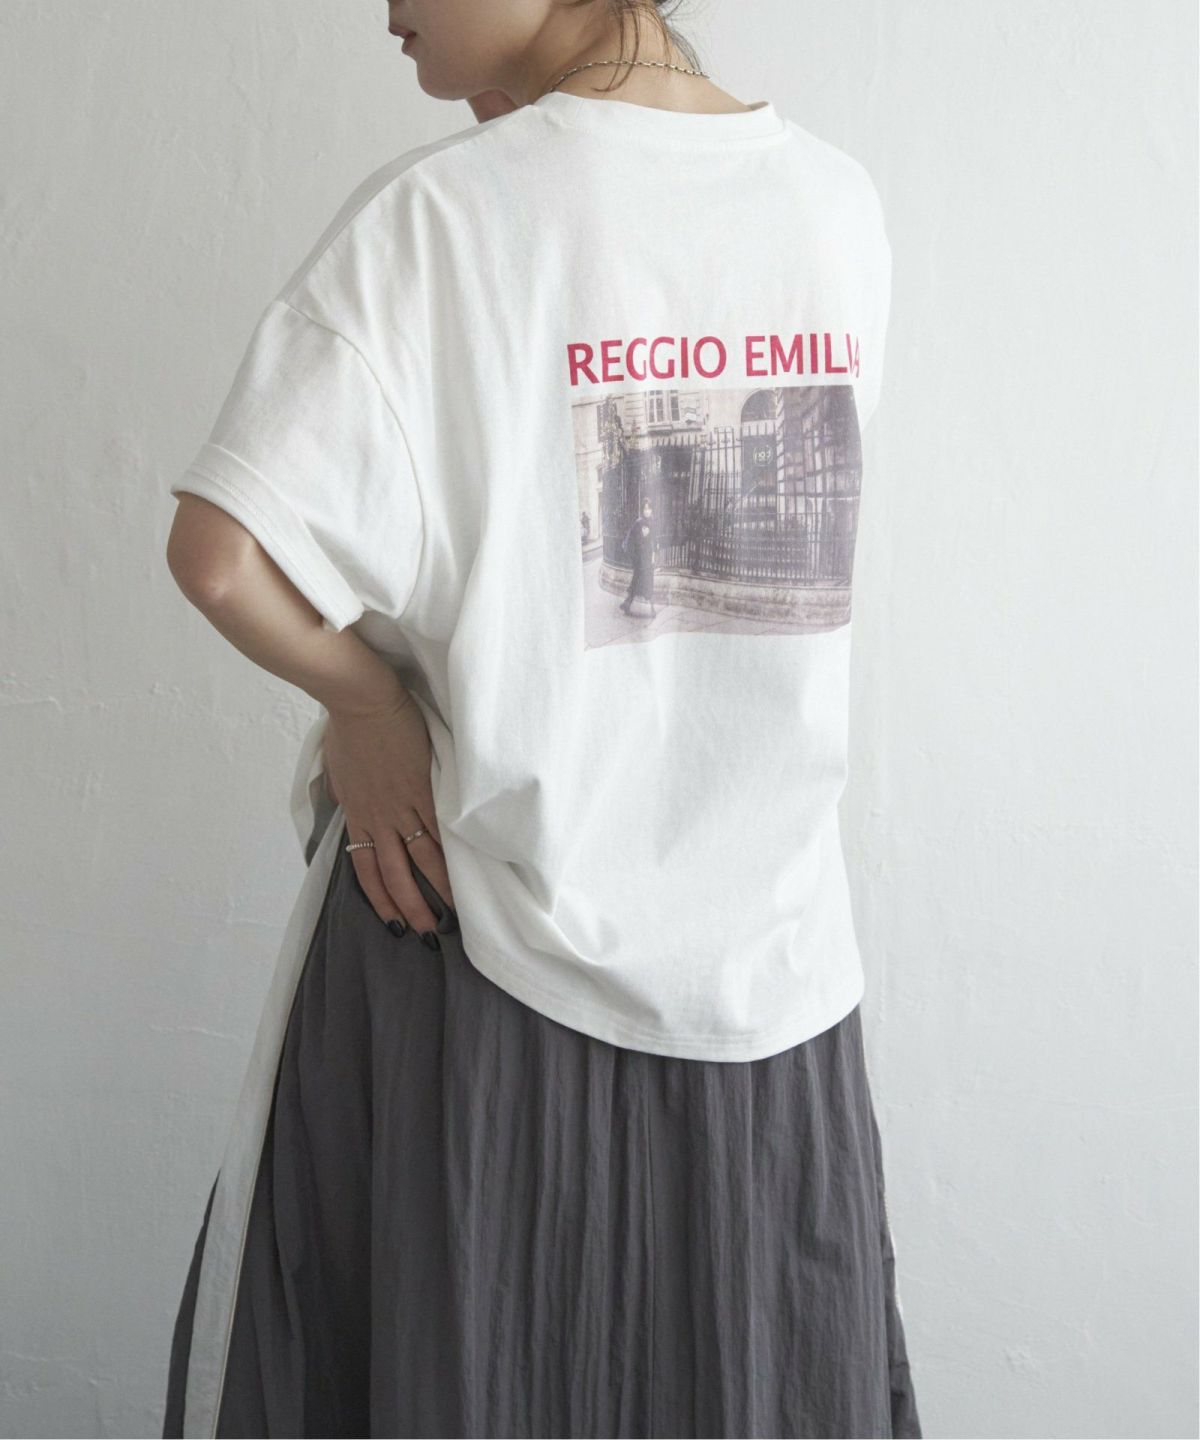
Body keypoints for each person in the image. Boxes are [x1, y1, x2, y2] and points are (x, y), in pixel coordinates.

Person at [161, 1, 920, 1436]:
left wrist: (365, 699)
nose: (385, 5)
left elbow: (219, 553)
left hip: (467, 978)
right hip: (773, 998)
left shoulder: (443, 219)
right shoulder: (836, 206)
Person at [620, 497, 658, 616]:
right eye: (645, 509)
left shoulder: (652, 522)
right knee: (636, 582)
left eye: (649, 508)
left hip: (648, 558)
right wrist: (642, 537)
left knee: (649, 582)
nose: (647, 511)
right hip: (640, 559)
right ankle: (627, 604)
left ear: (652, 510)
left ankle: (651, 609)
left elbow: (654, 540)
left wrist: (654, 555)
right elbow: (633, 539)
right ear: (642, 510)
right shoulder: (639, 522)